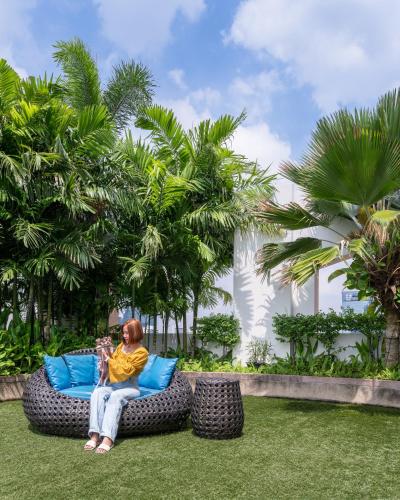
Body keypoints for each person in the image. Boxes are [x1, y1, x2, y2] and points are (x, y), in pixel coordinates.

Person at [84, 318, 148, 454]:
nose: (124, 336)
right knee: (98, 393)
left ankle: (108, 438)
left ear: (135, 332)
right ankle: (95, 435)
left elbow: (127, 370)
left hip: (130, 388)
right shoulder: (121, 347)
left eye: (127, 333)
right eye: (123, 332)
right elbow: (112, 366)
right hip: (115, 385)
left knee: (115, 396)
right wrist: (104, 364)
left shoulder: (142, 352)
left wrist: (110, 360)